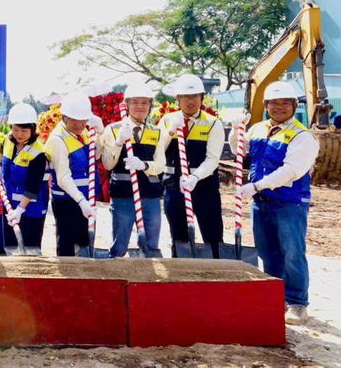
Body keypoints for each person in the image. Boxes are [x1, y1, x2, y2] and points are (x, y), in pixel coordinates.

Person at [232, 81, 319, 325]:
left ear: (294, 105)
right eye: (273, 103)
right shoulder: (258, 129)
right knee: (267, 252)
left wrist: (255, 186)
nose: (279, 107)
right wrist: (236, 130)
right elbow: (240, 150)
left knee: (292, 253)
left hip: (289, 203)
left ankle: (297, 303)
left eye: (285, 103)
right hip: (261, 202)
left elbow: (290, 171)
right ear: (266, 105)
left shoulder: (302, 136)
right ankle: (275, 297)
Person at [158, 74, 224, 258]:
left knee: (212, 235)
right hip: (174, 188)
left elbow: (212, 159)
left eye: (195, 96)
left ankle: (216, 268)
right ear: (178, 99)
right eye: (186, 97)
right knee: (179, 238)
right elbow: (157, 150)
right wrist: (171, 131)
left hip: (205, 189)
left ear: (202, 97)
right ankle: (182, 270)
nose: (191, 101)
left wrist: (195, 177)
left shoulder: (212, 123)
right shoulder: (167, 120)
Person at [101, 83, 166, 258]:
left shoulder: (157, 132)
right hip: (123, 195)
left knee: (151, 245)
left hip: (150, 196)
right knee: (119, 245)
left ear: (150, 105)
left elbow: (161, 164)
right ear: (127, 104)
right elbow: (107, 164)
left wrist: (144, 165)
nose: (140, 106)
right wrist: (119, 143)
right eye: (135, 102)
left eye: (145, 102)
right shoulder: (113, 130)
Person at [44, 94, 101, 256]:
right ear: (64, 117)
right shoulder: (58, 139)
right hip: (67, 201)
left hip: (86, 198)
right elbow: (63, 177)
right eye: (74, 120)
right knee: (67, 247)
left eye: (83, 120)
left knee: (84, 244)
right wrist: (81, 201)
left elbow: (95, 156)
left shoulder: (84, 132)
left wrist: (101, 133)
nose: (79, 124)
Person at [0, 102, 49, 253]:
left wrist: (20, 209)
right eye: (15, 129)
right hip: (9, 203)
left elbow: (33, 186)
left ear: (32, 129)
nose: (19, 134)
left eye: (24, 130)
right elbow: (2, 160)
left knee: (31, 248)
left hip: (32, 208)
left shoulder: (38, 153)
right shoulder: (7, 141)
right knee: (9, 246)